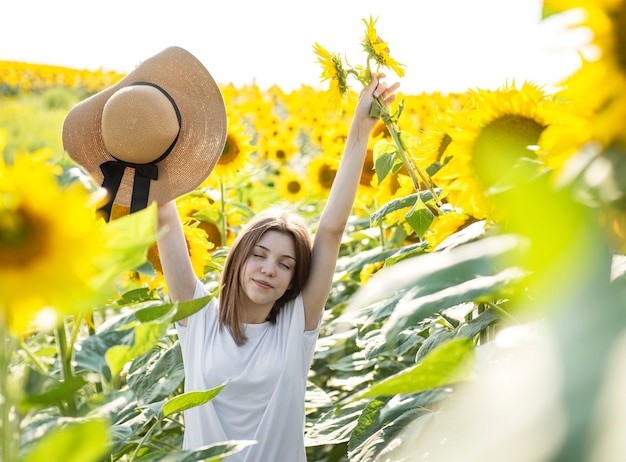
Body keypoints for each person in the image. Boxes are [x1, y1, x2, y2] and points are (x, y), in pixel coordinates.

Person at [156, 72, 399, 461]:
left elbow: (332, 231)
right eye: (259, 255)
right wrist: (144, 133)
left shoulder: (295, 328)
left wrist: (359, 130)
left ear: (292, 282)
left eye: (285, 264)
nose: (269, 269)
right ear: (237, 260)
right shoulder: (198, 318)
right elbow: (165, 218)